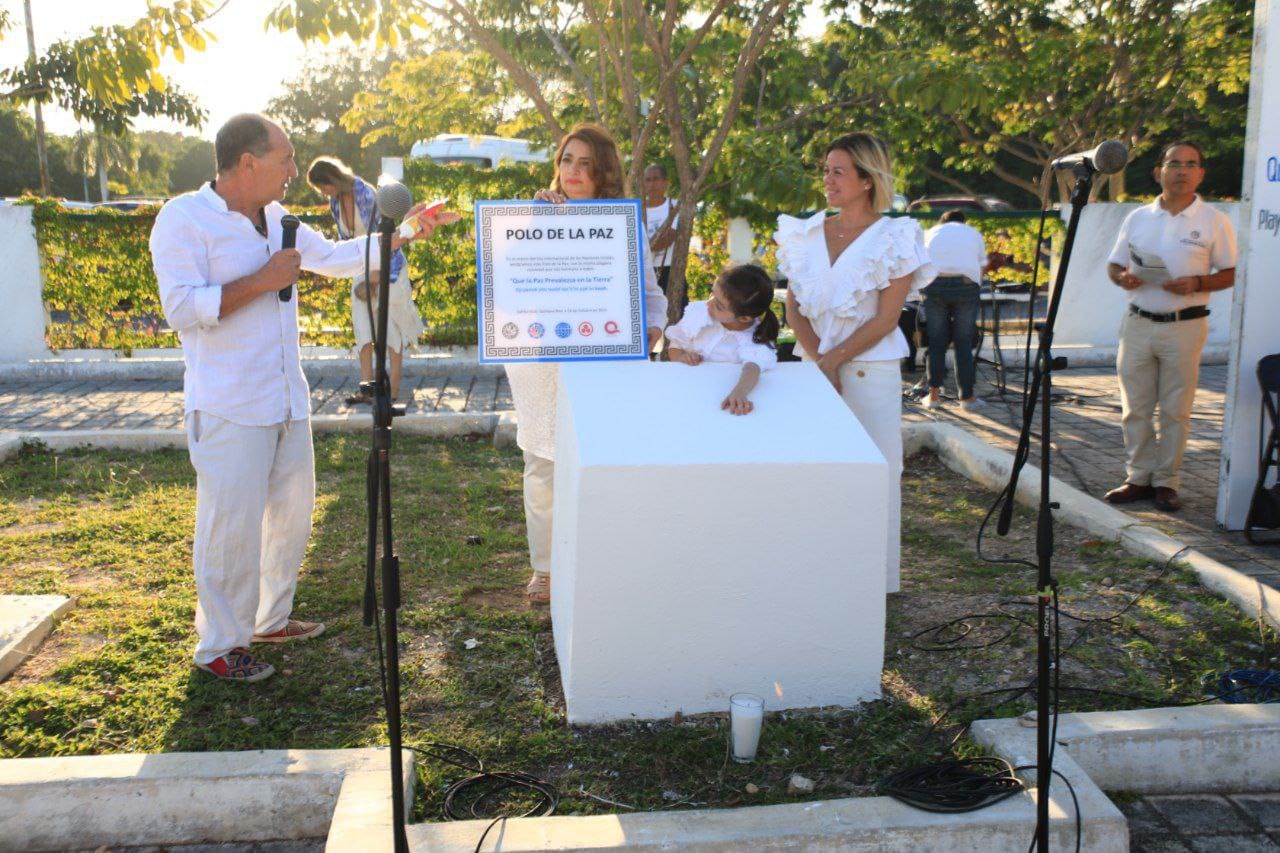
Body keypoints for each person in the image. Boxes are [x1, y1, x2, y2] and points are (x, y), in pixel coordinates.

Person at [150, 113, 455, 682]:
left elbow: (338, 259)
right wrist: (264, 280)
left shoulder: (280, 220)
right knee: (229, 527)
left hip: (287, 399)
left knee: (289, 519)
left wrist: (403, 232)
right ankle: (220, 646)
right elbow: (182, 309)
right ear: (247, 163)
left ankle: (269, 619)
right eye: (286, 159)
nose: (295, 170)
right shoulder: (183, 219)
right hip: (228, 405)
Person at [506, 123, 668, 604]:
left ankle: (602, 557)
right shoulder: (531, 214)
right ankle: (546, 569)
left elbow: (649, 292)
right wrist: (537, 222)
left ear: (603, 172)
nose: (572, 171)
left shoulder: (621, 221)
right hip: (541, 359)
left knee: (601, 458)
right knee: (543, 460)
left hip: (604, 358)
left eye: (584, 163)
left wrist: (654, 327)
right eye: (566, 160)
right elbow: (510, 280)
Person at [775, 132, 936, 593]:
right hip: (812, 372)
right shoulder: (804, 232)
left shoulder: (897, 236)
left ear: (867, 179)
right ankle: (815, 572)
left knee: (876, 474)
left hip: (870, 373)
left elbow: (887, 318)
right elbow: (793, 307)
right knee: (812, 470)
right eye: (825, 170)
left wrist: (835, 361)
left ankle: (873, 582)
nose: (827, 179)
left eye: (838, 171)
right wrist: (821, 363)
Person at [1103, 140, 1237, 512]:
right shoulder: (1138, 218)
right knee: (1135, 407)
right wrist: (1123, 278)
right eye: (1174, 164)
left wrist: (1196, 284)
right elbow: (1114, 264)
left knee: (1176, 409)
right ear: (1158, 171)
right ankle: (1138, 477)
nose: (1182, 171)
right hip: (1138, 322)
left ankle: (1167, 481)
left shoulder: (1214, 220)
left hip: (1185, 325)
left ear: (1201, 173)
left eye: (1190, 164)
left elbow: (1229, 274)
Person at [307, 156, 425, 404]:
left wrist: (374, 277)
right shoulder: (335, 202)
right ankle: (367, 389)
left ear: (332, 178)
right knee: (362, 328)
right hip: (360, 265)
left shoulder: (366, 193)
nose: (323, 192)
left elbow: (383, 235)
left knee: (391, 329)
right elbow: (345, 240)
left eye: (323, 186)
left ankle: (392, 391)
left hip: (386, 266)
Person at [665, 263, 780, 415]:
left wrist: (740, 392)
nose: (709, 303)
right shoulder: (699, 315)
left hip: (719, 401)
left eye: (719, 306)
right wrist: (682, 357)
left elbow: (753, 368)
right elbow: (675, 346)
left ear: (745, 318)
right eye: (712, 294)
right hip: (688, 395)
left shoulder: (756, 336)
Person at [921, 210, 989, 410]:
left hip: (934, 284)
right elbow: (981, 265)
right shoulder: (972, 232)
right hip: (965, 285)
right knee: (963, 343)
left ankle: (933, 396)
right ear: (963, 221)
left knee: (936, 342)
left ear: (942, 221)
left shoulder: (931, 232)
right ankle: (967, 398)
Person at [642, 163, 680, 303]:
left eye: (656, 179)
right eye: (648, 180)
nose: (652, 184)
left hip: (669, 271)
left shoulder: (675, 206)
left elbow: (668, 238)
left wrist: (641, 248)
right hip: (644, 271)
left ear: (666, 182)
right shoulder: (636, 209)